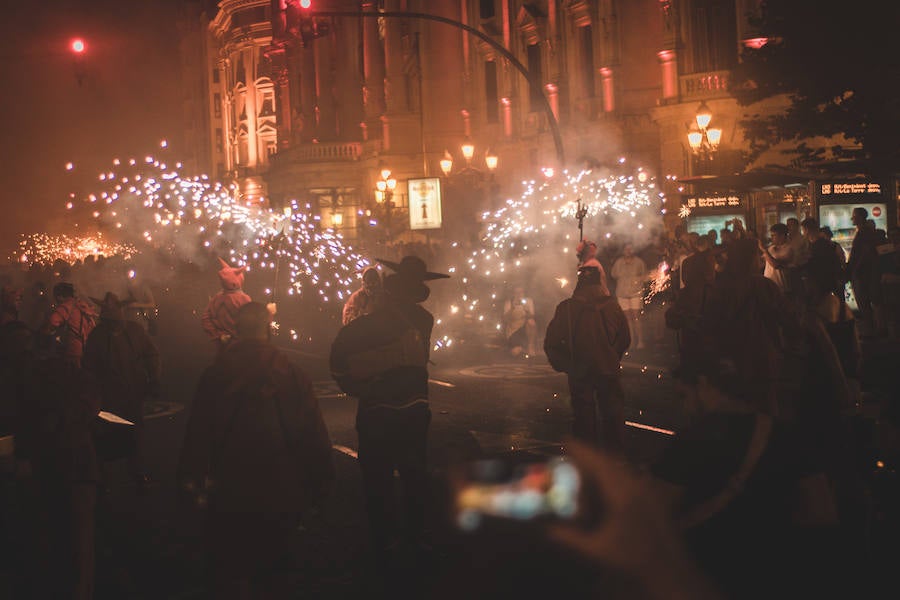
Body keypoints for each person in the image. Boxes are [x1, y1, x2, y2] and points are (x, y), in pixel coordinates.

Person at [178, 301, 335, 599]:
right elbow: (313, 434)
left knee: (233, 572)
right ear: (268, 330)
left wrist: (189, 487)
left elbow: (198, 437)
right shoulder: (291, 375)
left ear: (237, 330)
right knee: (276, 574)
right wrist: (321, 485)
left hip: (228, 491)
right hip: (281, 489)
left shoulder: (216, 376)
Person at [329, 255, 449, 576]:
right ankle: (417, 538)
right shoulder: (424, 320)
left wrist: (356, 385)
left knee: (377, 479)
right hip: (413, 408)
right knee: (414, 475)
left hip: (376, 409)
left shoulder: (369, 323)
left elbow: (338, 358)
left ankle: (385, 542)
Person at [544, 258, 630, 454]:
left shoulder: (566, 308)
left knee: (584, 419)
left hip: (580, 371)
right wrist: (610, 356)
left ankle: (589, 461)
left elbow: (551, 344)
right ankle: (616, 460)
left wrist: (568, 365)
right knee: (613, 416)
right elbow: (625, 338)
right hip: (607, 370)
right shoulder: (612, 306)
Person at [82, 292, 162, 489]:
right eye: (109, 321)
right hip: (107, 395)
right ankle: (103, 477)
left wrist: (154, 379)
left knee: (135, 432)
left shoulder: (134, 331)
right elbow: (88, 367)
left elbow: (152, 355)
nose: (114, 325)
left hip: (132, 392)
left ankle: (137, 472)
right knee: (105, 433)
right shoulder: (97, 336)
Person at [41, 281, 98, 368]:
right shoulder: (83, 306)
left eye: (55, 297)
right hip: (87, 351)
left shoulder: (66, 307)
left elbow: (51, 323)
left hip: (71, 353)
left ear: (60, 296)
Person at [201, 257, 252, 353]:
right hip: (239, 348)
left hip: (219, 346)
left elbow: (205, 318)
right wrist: (269, 313)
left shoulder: (216, 298)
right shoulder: (245, 299)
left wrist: (217, 336)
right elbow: (253, 323)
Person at [846, 207, 878, 335]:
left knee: (863, 301)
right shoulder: (865, 231)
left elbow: (864, 252)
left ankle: (869, 330)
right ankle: (871, 328)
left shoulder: (863, 232)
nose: (852, 218)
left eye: (854, 216)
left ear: (859, 217)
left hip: (861, 273)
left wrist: (856, 268)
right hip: (863, 271)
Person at [610, 243, 648, 348]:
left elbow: (645, 275)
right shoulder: (619, 263)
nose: (628, 251)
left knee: (636, 317)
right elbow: (613, 275)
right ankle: (631, 340)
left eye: (630, 249)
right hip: (622, 293)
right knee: (627, 318)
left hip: (636, 292)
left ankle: (640, 340)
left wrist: (638, 280)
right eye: (626, 249)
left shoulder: (639, 262)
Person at [759, 222, 795, 295]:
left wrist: (764, 251)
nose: (771, 238)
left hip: (781, 287)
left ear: (782, 236)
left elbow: (776, 265)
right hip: (769, 285)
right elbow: (762, 262)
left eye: (773, 235)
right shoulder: (771, 247)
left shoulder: (789, 249)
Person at [502, 285, 537, 357]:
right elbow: (505, 319)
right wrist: (512, 308)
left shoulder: (528, 301)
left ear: (524, 293)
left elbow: (532, 316)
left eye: (521, 292)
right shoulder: (509, 303)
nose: (519, 295)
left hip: (525, 329)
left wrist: (526, 309)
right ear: (513, 294)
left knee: (531, 322)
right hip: (513, 331)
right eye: (516, 293)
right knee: (515, 352)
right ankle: (521, 348)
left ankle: (530, 346)